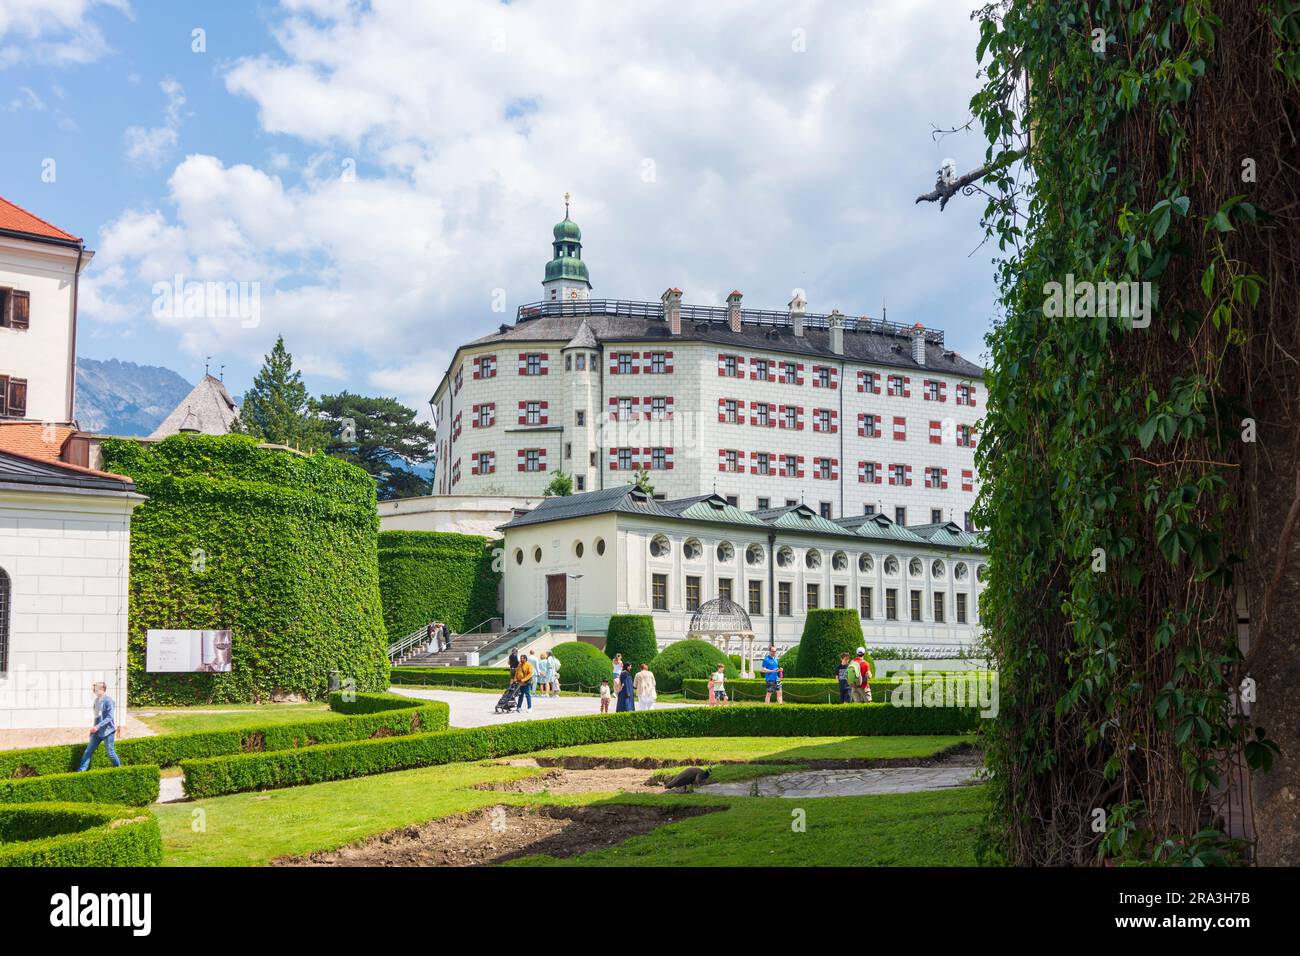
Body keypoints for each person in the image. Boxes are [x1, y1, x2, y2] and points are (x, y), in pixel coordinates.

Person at [77, 681, 121, 771]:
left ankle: (119, 769)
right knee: (88, 751)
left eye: (96, 689)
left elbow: (110, 717)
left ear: (102, 689)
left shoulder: (109, 701)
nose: (94, 691)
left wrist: (97, 726)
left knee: (110, 753)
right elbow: (97, 717)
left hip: (108, 731)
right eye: (94, 690)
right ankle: (81, 771)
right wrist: (93, 729)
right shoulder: (96, 701)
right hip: (97, 732)